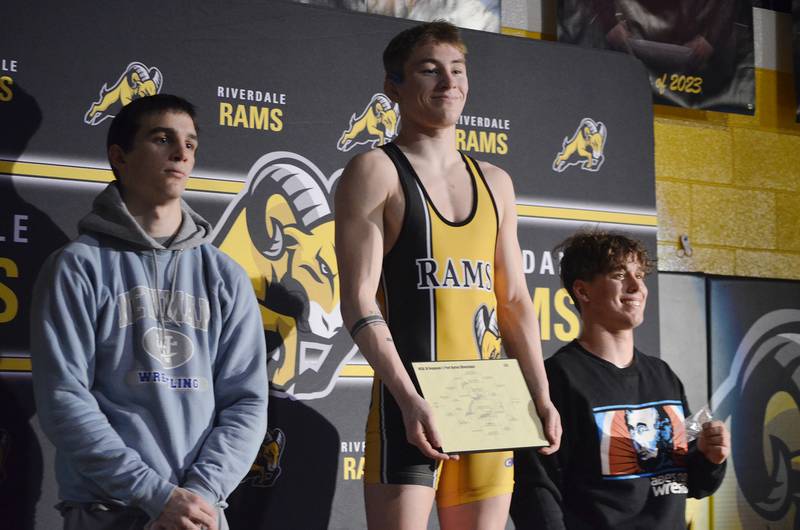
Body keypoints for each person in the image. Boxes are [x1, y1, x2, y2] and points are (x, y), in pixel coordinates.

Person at [335, 21, 561, 530]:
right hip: (411, 397)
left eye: (457, 70)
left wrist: (540, 395)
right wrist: (408, 396)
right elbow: (358, 300)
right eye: (429, 70)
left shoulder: (496, 182)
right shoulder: (376, 171)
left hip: (488, 397)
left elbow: (516, 301)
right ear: (393, 86)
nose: (448, 82)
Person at [30, 94, 268, 530]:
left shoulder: (225, 276)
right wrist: (155, 495)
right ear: (118, 156)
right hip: (108, 510)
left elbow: (246, 401)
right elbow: (64, 398)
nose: (182, 153)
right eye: (162, 139)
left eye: (191, 144)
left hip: (199, 514)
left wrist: (198, 497)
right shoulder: (78, 266)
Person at [511, 231, 730, 530]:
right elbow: (536, 488)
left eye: (640, 274)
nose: (637, 286)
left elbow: (692, 483)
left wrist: (711, 458)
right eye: (619, 274)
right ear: (583, 291)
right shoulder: (555, 380)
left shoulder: (663, 376)